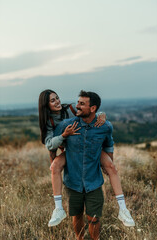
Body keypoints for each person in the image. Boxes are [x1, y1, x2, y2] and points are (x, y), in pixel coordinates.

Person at [38, 90, 135, 230]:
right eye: (52, 101)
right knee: (55, 166)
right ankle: (58, 209)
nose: (57, 101)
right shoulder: (51, 122)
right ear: (45, 105)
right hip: (70, 147)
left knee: (111, 166)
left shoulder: (70, 109)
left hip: (90, 146)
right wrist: (63, 137)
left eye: (57, 98)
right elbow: (50, 145)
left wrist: (101, 115)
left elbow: (91, 111)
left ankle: (124, 210)